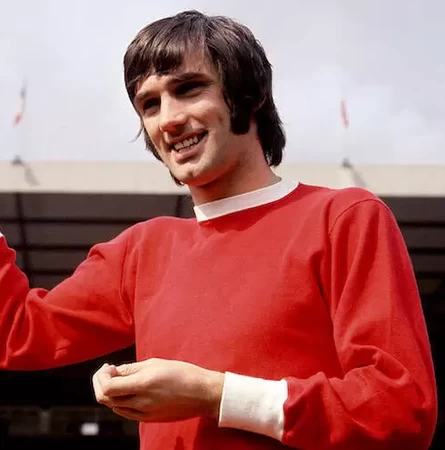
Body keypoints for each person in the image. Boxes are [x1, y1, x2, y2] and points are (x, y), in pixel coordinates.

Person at [0, 9, 437, 450]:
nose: (167, 119)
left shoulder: (343, 217)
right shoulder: (141, 250)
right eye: (149, 104)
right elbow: (16, 332)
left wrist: (216, 394)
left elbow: (400, 408)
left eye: (188, 89)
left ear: (250, 93)